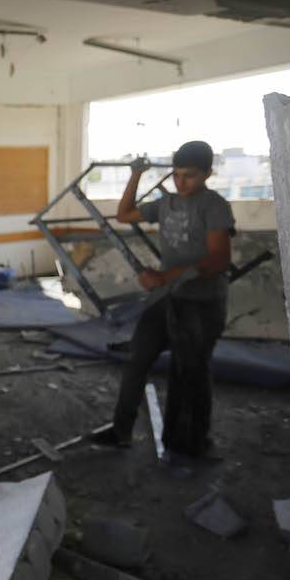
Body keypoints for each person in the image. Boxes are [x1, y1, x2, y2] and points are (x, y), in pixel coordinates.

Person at [90, 141, 234, 460]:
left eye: (190, 176)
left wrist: (164, 276)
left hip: (201, 303)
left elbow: (218, 260)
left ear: (208, 173)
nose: (181, 182)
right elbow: (124, 214)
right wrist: (136, 175)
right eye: (176, 175)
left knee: (191, 374)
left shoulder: (214, 206)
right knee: (137, 361)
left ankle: (190, 442)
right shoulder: (166, 204)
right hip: (166, 299)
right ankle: (121, 431)